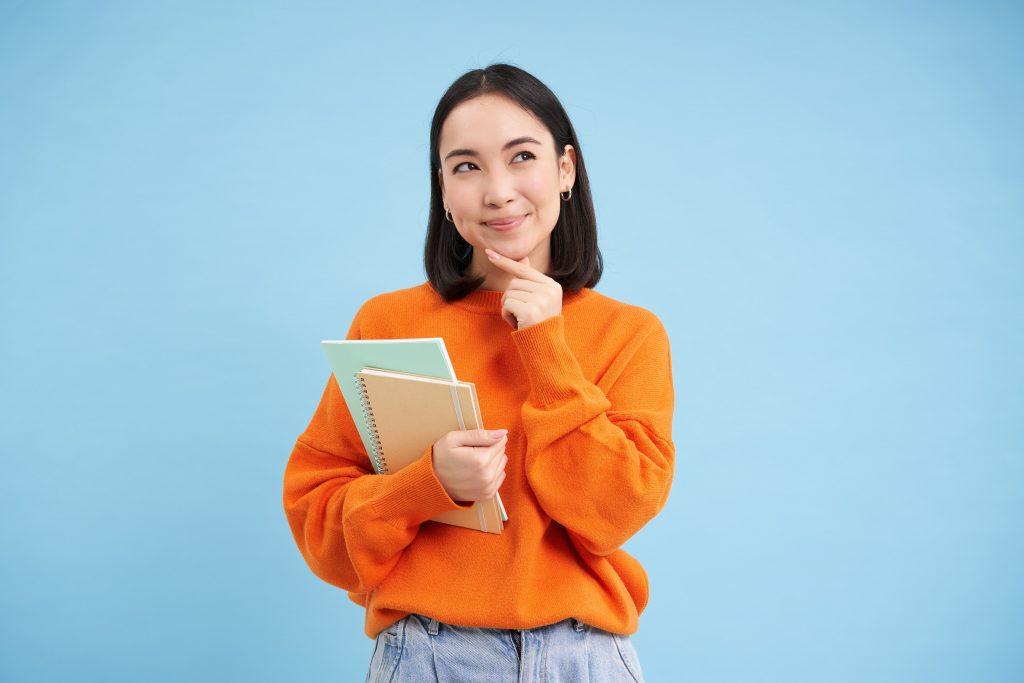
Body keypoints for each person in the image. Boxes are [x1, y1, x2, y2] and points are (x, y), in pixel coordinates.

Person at [282, 63, 675, 682]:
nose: (498, 191)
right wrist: (427, 482)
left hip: (583, 656)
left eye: (522, 156)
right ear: (442, 187)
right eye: (467, 166)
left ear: (565, 170)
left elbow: (615, 511)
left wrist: (546, 347)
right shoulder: (388, 323)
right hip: (428, 655)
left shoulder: (629, 334)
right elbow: (321, 532)